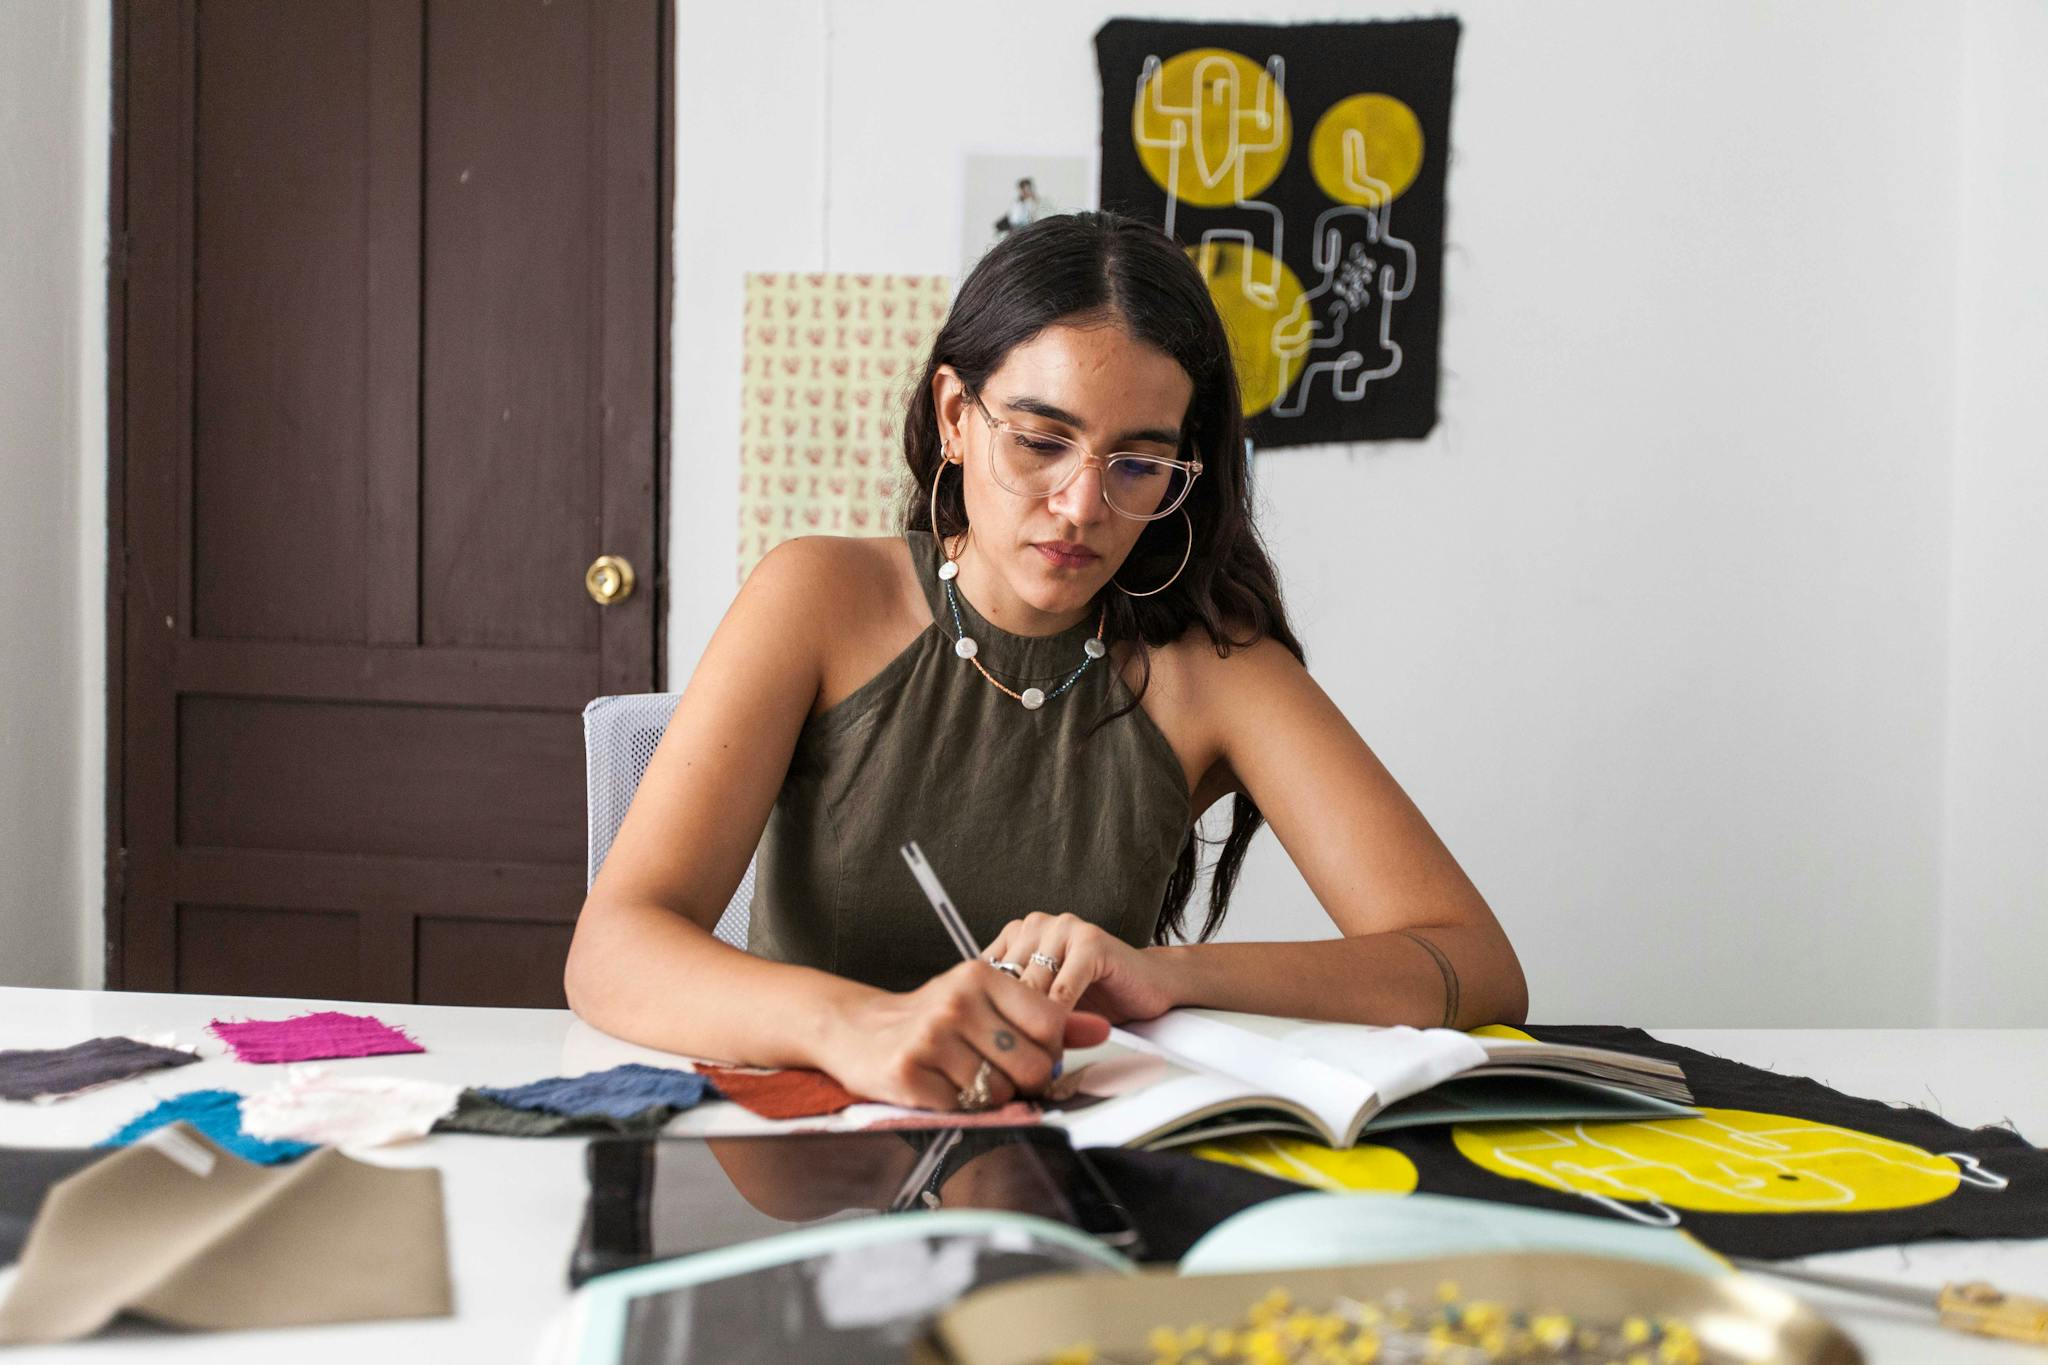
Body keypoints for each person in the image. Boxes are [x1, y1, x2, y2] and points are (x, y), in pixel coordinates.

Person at [565, 212, 1526, 1114]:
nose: (1079, 506)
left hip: (1069, 1168)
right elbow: (611, 950)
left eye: (1137, 464)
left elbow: (1474, 962)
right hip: (805, 1162)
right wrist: (860, 1026)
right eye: (1040, 440)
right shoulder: (816, 599)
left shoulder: (1213, 669)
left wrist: (1164, 976)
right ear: (954, 414)